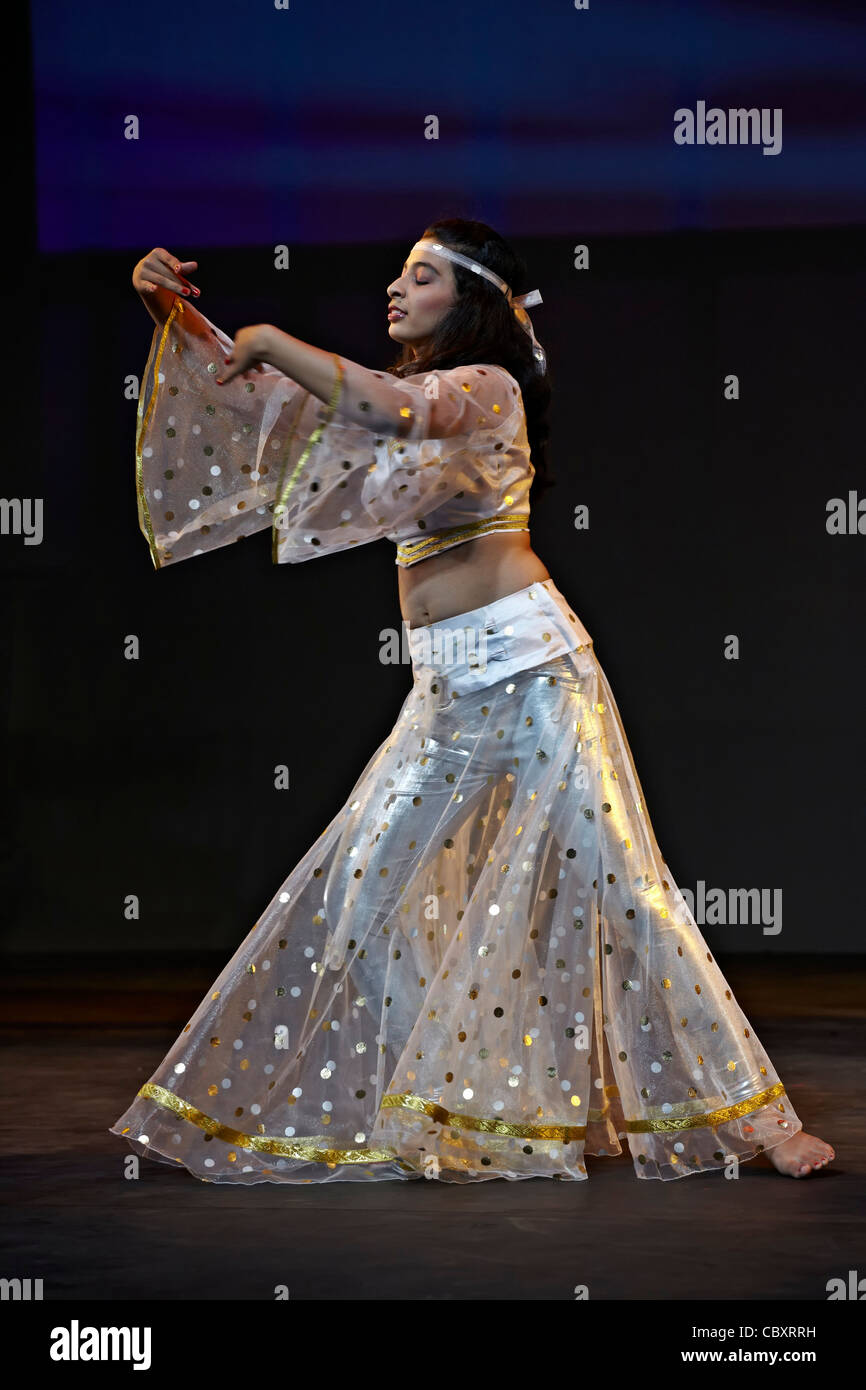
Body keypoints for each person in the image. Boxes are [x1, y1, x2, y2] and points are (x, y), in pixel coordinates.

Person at [110, 219, 834, 1184]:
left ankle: (761, 1122)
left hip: (539, 678)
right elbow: (279, 409)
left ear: (476, 302)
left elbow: (387, 407)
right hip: (445, 694)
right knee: (366, 893)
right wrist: (177, 313)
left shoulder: (482, 388)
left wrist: (278, 337)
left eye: (421, 277)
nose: (395, 291)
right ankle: (464, 1101)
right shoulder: (394, 396)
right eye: (399, 275)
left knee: (627, 889)